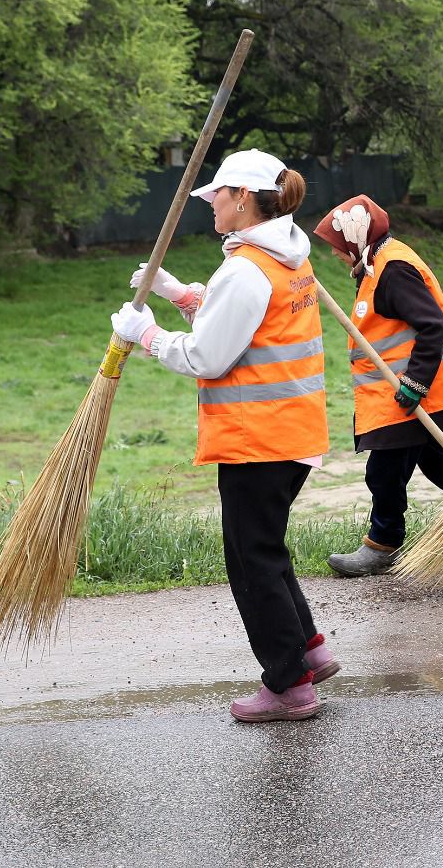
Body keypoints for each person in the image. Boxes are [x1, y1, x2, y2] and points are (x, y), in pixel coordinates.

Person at [114, 148, 336, 723]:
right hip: (289, 430)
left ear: (241, 197)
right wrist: (177, 292)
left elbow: (210, 355)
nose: (209, 203)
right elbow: (242, 324)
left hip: (258, 438)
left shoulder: (246, 267)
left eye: (216, 194)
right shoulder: (282, 256)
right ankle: (310, 646)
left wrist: (149, 336)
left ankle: (289, 684)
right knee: (266, 545)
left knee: (250, 559)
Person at [316, 194, 443, 576]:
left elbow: (432, 326)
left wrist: (416, 382)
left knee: (383, 473)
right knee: (438, 464)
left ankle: (382, 544)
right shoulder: (377, 263)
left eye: (338, 247)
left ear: (356, 238)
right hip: (401, 396)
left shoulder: (393, 269)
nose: (336, 255)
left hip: (411, 396)